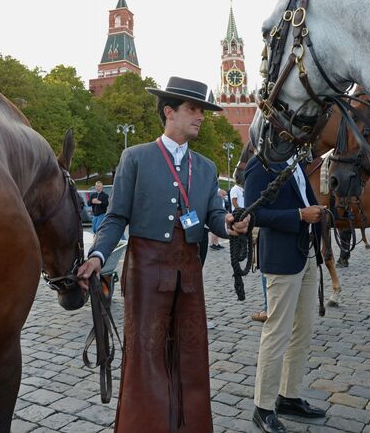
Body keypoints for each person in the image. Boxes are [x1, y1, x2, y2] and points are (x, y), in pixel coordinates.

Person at [76, 76, 249, 433]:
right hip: (146, 270)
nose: (200, 116)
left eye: (202, 110)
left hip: (189, 271)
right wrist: (97, 256)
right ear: (169, 112)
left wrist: (229, 224)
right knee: (146, 356)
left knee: (190, 354)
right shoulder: (135, 157)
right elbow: (116, 216)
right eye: (193, 109)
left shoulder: (205, 167)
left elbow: (213, 215)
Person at [244, 153, 326, 433]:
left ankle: (288, 397)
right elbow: (254, 213)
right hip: (281, 258)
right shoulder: (262, 162)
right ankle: (263, 406)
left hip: (306, 253)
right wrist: (300, 215)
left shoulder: (299, 161)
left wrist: (319, 210)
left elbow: (305, 199)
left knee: (302, 330)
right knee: (277, 332)